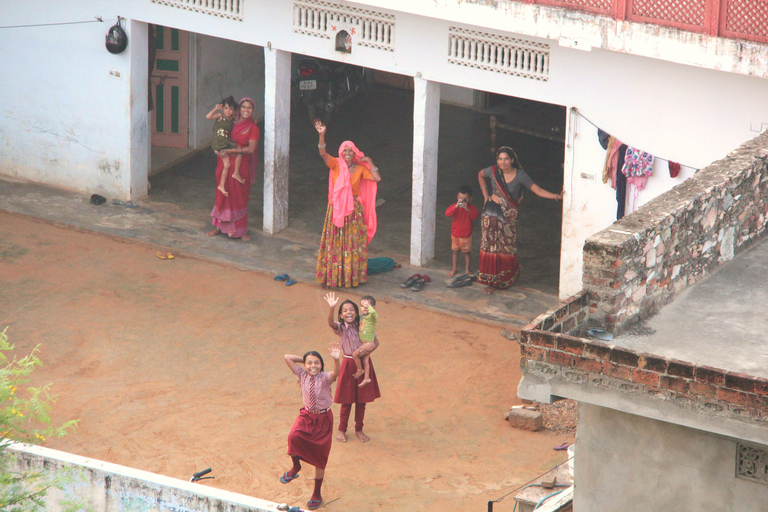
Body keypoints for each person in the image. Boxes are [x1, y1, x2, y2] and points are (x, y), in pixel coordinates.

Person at [477, 146, 564, 295]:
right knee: (490, 247)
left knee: (506, 247)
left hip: (508, 217)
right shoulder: (492, 171)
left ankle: (507, 275)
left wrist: (557, 196)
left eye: (506, 159)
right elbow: (480, 175)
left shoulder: (520, 176)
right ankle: (492, 282)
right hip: (490, 213)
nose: (502, 162)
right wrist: (485, 195)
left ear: (511, 160)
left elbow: (538, 190)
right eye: (500, 159)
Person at [314, 119, 381, 288]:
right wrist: (322, 135)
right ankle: (333, 277)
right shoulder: (336, 164)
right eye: (345, 150)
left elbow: (376, 178)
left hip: (353, 210)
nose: (348, 153)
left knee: (352, 243)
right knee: (335, 243)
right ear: (341, 152)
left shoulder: (360, 169)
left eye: (351, 150)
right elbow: (323, 154)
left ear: (354, 153)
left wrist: (369, 160)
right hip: (337, 208)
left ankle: (350, 278)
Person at [281, 342, 342, 511]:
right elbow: (287, 357)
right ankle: (296, 466)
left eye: (316, 363)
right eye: (310, 363)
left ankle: (317, 493)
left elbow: (336, 372)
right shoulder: (302, 374)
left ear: (322, 365)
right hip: (306, 415)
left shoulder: (325, 377)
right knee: (293, 437)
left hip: (323, 418)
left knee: (320, 456)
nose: (313, 366)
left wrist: (336, 360)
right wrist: (306, 359)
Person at [323, 292, 381, 442]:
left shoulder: (363, 325)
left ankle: (359, 429)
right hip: (348, 364)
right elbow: (330, 323)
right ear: (341, 315)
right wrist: (331, 308)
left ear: (357, 312)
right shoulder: (341, 328)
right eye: (345, 310)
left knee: (362, 400)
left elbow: (376, 341)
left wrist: (366, 352)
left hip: (362, 362)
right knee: (346, 400)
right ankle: (342, 429)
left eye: (352, 309)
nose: (349, 312)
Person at [208, 97, 260, 242]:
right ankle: (219, 227)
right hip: (224, 163)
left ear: (253, 110)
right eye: (243, 107)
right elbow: (220, 135)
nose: (246, 110)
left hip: (240, 166)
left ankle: (241, 230)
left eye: (249, 108)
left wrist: (233, 152)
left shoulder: (253, 128)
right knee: (222, 195)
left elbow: (251, 149)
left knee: (239, 198)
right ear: (239, 109)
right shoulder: (232, 121)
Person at [205, 96, 244, 197]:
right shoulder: (219, 116)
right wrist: (215, 109)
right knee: (239, 151)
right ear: (222, 108)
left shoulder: (232, 119)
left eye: (231, 109)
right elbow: (208, 117)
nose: (228, 111)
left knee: (227, 165)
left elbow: (239, 124)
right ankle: (235, 173)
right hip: (220, 143)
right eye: (226, 108)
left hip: (226, 142)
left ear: (233, 110)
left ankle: (221, 185)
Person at [445, 185, 480, 278]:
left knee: (466, 252)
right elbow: (447, 213)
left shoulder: (472, 208)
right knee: (455, 251)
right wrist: (456, 206)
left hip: (466, 235)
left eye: (465, 199)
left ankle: (467, 269)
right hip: (455, 234)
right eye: (460, 198)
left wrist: (467, 209)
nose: (463, 200)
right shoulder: (454, 207)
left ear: (470, 199)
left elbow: (475, 216)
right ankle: (454, 268)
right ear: (457, 198)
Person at [352, 295, 378, 388]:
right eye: (362, 305)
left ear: (373, 307)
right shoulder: (361, 316)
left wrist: (369, 308)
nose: (364, 308)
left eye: (366, 306)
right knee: (365, 361)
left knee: (355, 354)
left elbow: (374, 314)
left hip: (369, 343)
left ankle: (360, 370)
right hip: (364, 343)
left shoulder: (372, 316)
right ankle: (366, 377)